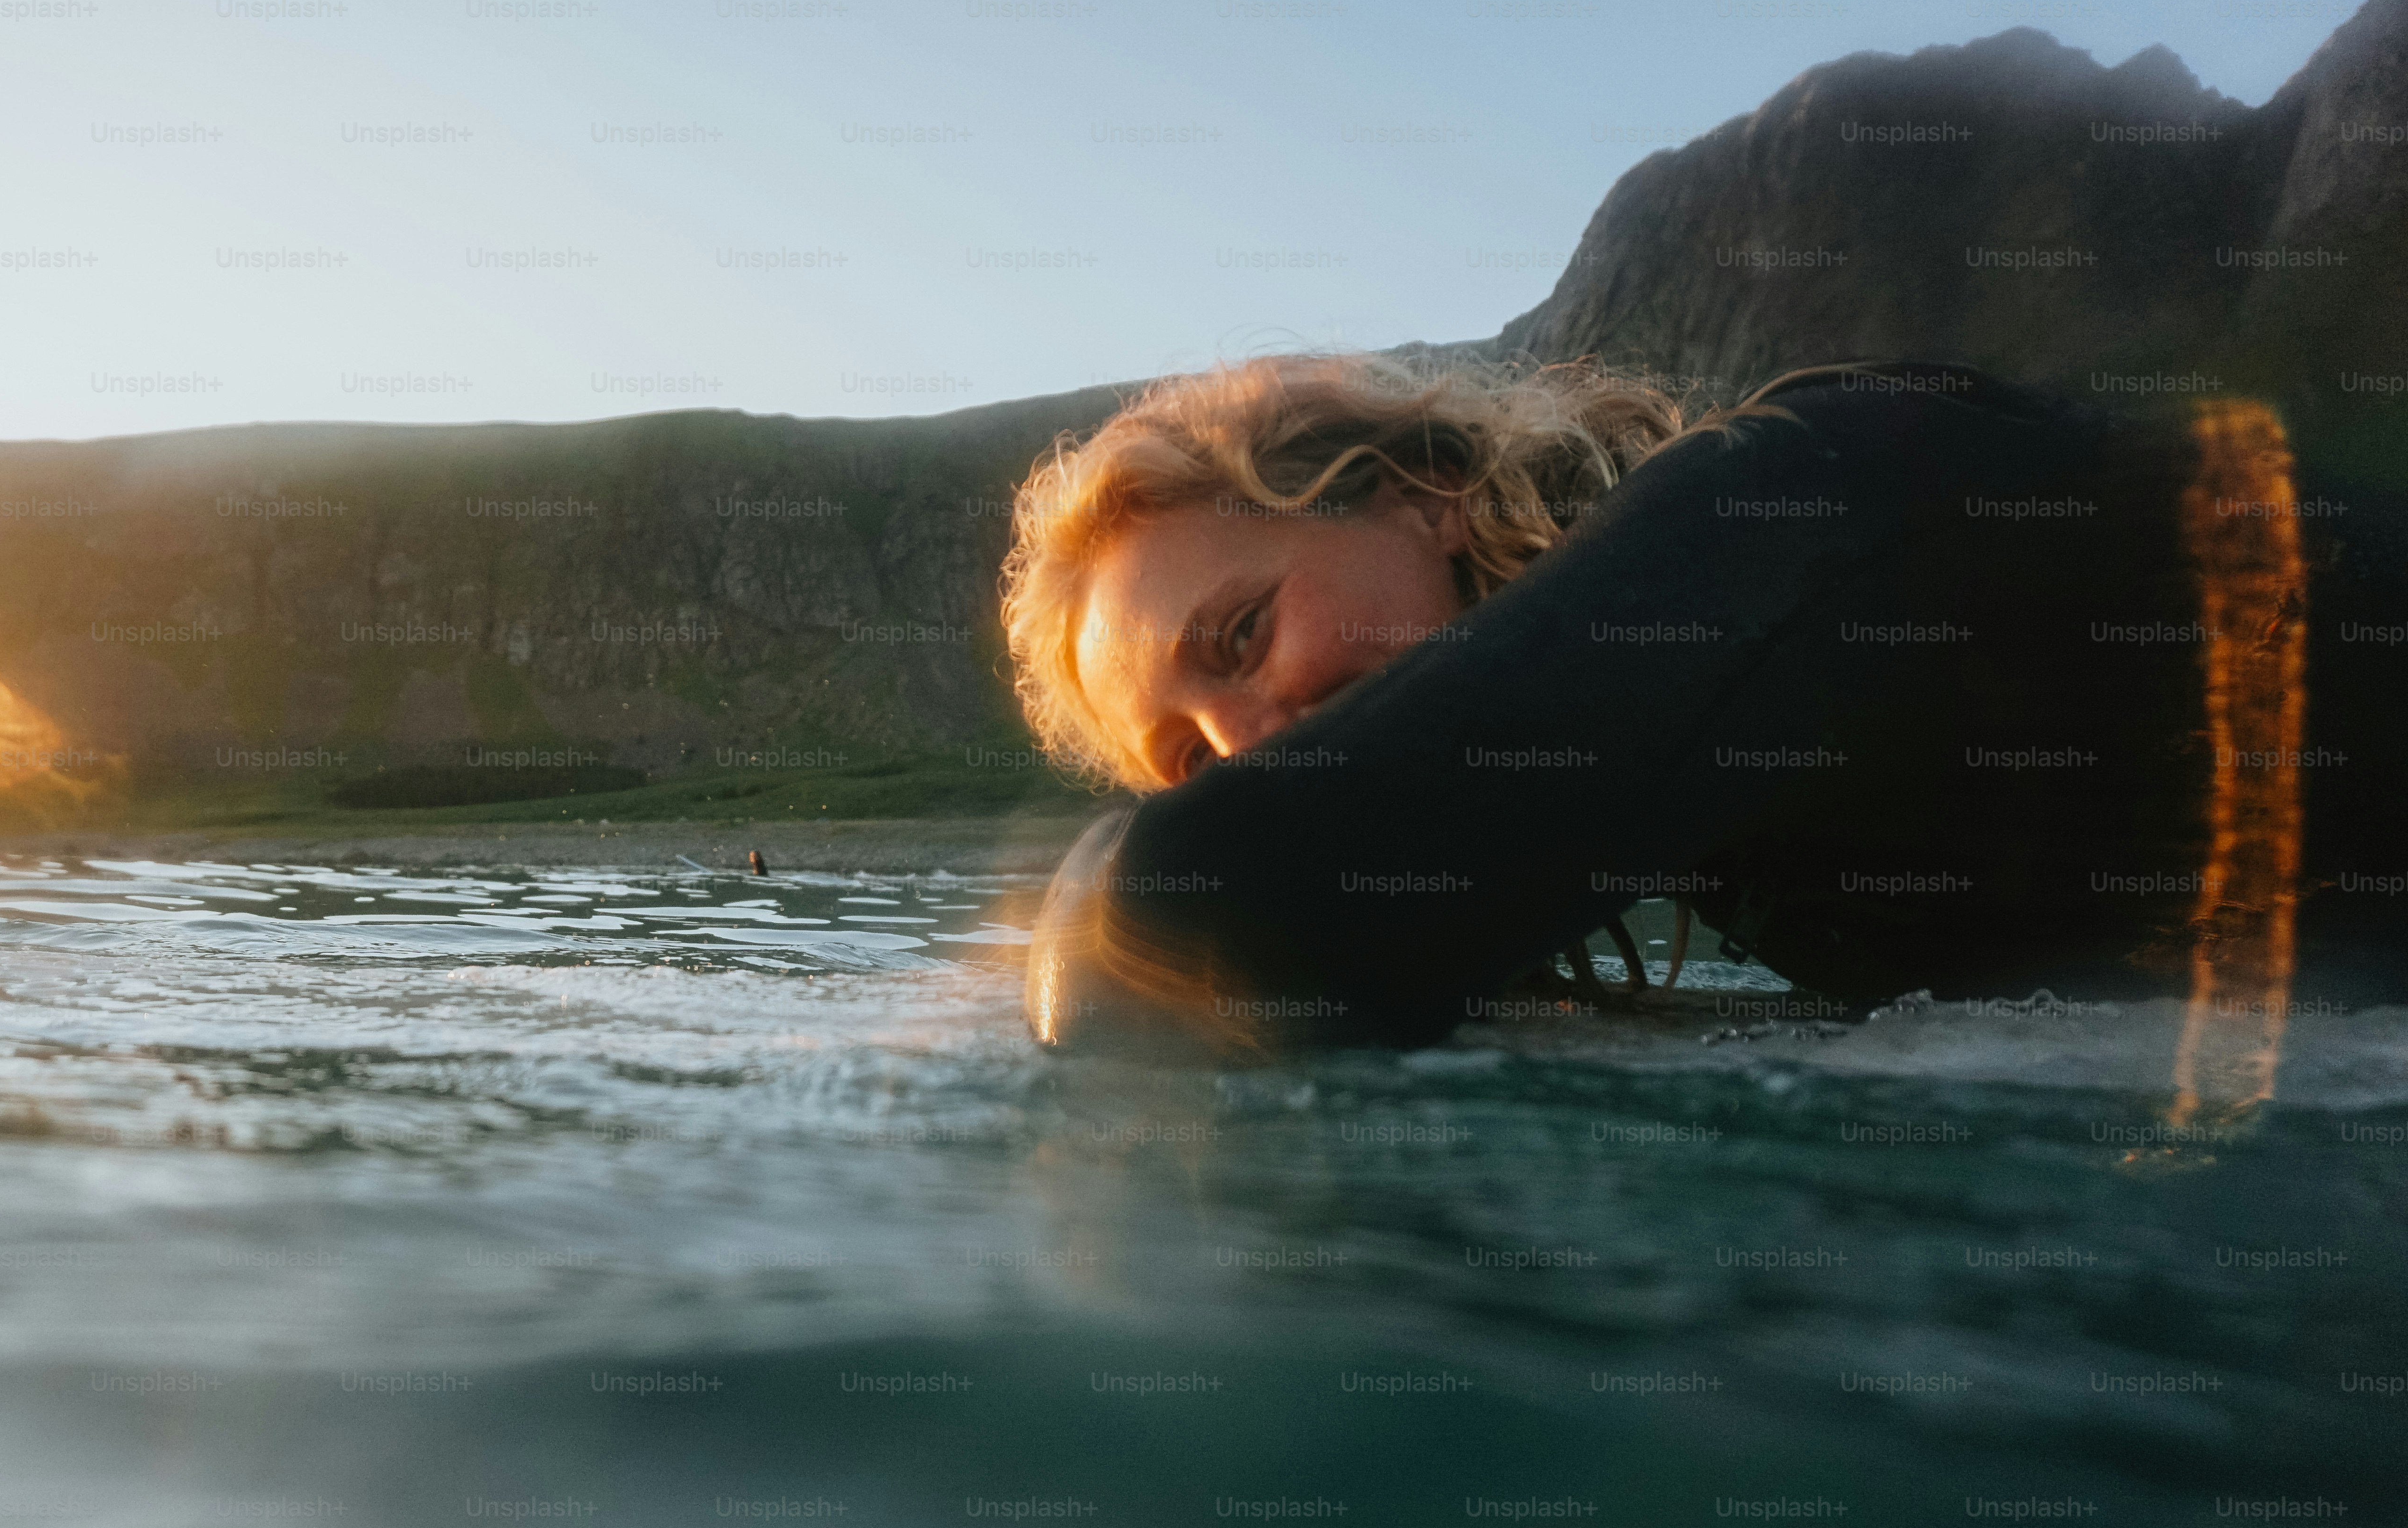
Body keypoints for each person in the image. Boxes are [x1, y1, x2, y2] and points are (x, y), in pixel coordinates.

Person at [999, 352, 2408, 1089]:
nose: (1258, 742)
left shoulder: (1796, 497)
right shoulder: (1704, 801)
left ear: (1415, 494)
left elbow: (1201, 911)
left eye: (1242, 634)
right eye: (1187, 756)